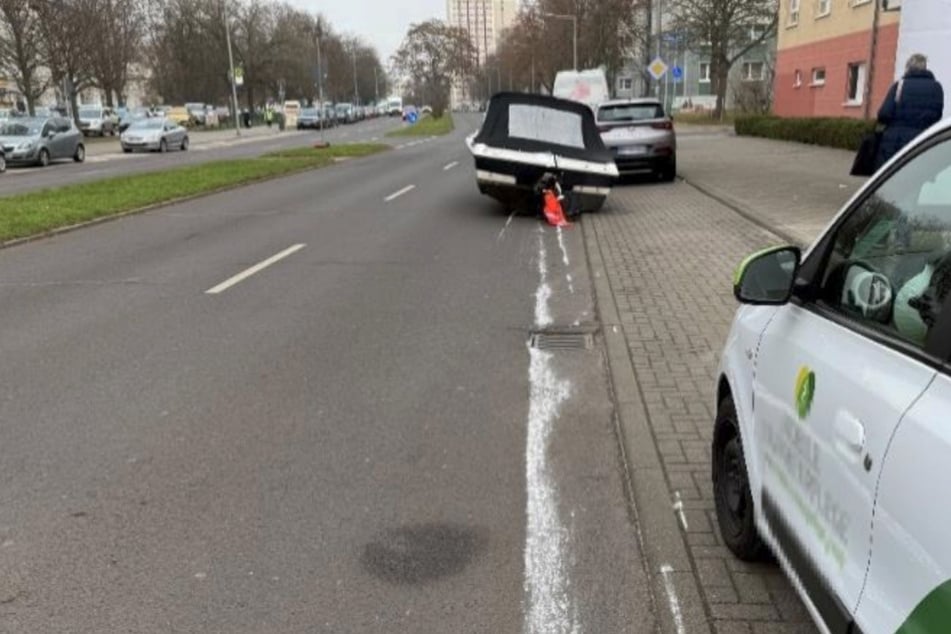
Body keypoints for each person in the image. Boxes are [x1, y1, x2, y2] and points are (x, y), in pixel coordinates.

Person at [875, 53, 944, 169]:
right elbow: (937, 115)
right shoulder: (936, 87)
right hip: (923, 141)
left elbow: (883, 114)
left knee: (893, 175)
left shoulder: (899, 86)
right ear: (925, 67)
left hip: (895, 143)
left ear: (908, 68)